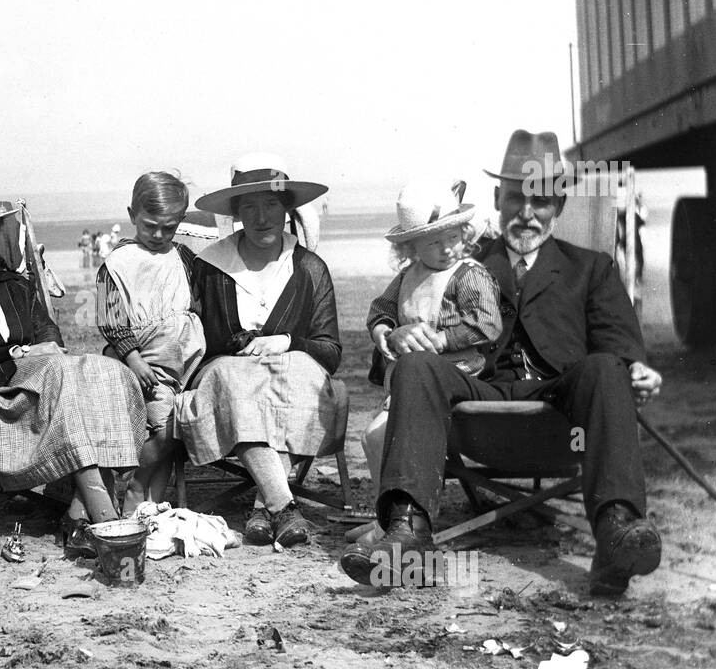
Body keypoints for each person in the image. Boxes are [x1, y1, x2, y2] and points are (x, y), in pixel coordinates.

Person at [339, 131, 663, 596]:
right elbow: (391, 333)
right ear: (497, 198)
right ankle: (408, 533)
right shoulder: (455, 262)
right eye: (516, 199)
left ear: (560, 205)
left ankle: (616, 529)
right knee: (416, 368)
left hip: (560, 410)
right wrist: (394, 335)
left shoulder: (590, 268)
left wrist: (636, 369)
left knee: (606, 367)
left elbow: (620, 345)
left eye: (542, 202)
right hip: (477, 409)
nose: (527, 214)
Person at [0, 177, 148, 551]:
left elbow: (46, 329)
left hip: (44, 386)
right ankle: (105, 518)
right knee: (62, 375)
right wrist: (16, 355)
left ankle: (76, 514)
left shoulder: (10, 283)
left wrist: (43, 350)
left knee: (105, 369)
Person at [173, 157, 347, 547]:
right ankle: (284, 506)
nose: (262, 217)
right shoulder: (210, 266)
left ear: (286, 210)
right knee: (233, 380)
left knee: (302, 373)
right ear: (236, 213)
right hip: (228, 377)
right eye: (249, 206)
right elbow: (199, 341)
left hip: (290, 377)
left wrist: (287, 342)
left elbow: (331, 351)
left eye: (271, 205)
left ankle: (260, 506)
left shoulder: (309, 268)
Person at [359, 177, 502, 493]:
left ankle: (397, 513)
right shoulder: (408, 277)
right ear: (411, 248)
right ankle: (388, 511)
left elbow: (488, 323)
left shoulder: (468, 275)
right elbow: (381, 308)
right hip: (410, 376)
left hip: (457, 375)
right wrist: (384, 330)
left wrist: (442, 339)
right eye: (433, 243)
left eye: (453, 237)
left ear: (464, 234)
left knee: (382, 435)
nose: (447, 248)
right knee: (373, 439)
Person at [96, 172, 205, 507]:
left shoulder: (183, 258)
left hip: (184, 364)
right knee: (165, 424)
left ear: (180, 222)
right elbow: (110, 320)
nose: (159, 235)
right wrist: (133, 358)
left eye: (168, 227)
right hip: (146, 363)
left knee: (180, 424)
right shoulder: (119, 263)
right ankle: (136, 484)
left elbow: (196, 301)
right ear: (132, 216)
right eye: (149, 226)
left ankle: (150, 502)